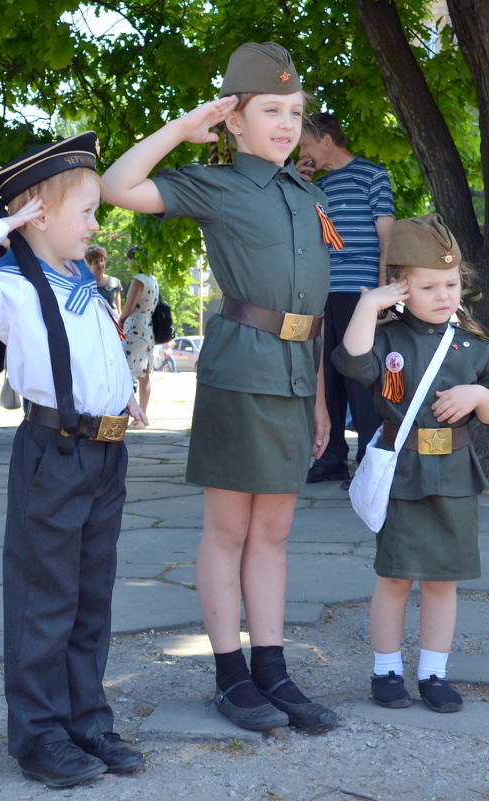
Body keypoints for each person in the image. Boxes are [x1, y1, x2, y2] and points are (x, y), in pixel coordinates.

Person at [102, 42, 338, 733]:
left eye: (294, 111)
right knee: (229, 529)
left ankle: (274, 672)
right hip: (242, 374)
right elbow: (117, 186)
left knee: (275, 530)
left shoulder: (308, 194)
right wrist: (180, 128)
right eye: (270, 109)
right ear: (233, 118)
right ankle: (230, 676)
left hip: (297, 376)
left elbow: (314, 313)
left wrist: (322, 397)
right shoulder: (219, 184)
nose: (287, 122)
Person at [0, 132, 146, 788]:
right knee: (43, 600)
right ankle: (38, 734)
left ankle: (86, 717)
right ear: (37, 215)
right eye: (85, 212)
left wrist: (122, 399)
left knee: (90, 597)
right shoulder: (9, 288)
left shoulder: (80, 277)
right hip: (53, 454)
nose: (95, 222)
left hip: (105, 451)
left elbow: (94, 350)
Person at [333, 213, 489, 712]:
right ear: (401, 288)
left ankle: (434, 673)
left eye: (451, 284)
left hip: (456, 473)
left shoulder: (474, 344)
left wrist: (479, 393)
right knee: (394, 575)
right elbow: (352, 363)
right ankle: (386, 670)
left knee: (442, 578)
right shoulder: (387, 337)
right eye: (430, 286)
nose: (444, 295)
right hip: (404, 473)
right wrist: (368, 305)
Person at [297, 112, 394, 485]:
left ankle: (371, 463)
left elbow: (387, 235)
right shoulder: (316, 186)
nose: (302, 151)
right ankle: (330, 458)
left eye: (306, 144)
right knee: (327, 379)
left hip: (361, 293)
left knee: (360, 380)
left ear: (325, 140)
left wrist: (382, 294)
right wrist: (299, 182)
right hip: (323, 292)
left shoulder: (373, 175)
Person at [117, 248, 158, 417]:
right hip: (149, 329)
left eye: (129, 260)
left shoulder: (138, 280)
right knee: (145, 374)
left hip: (135, 329)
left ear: (135, 261)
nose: (128, 263)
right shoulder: (153, 279)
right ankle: (143, 414)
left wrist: (120, 321)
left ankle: (127, 412)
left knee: (124, 371)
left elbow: (128, 308)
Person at [85, 245, 123, 312]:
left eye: (102, 260)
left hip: (113, 320)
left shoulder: (114, 282)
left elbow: (119, 310)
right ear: (89, 264)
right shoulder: (85, 285)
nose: (100, 264)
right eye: (96, 262)